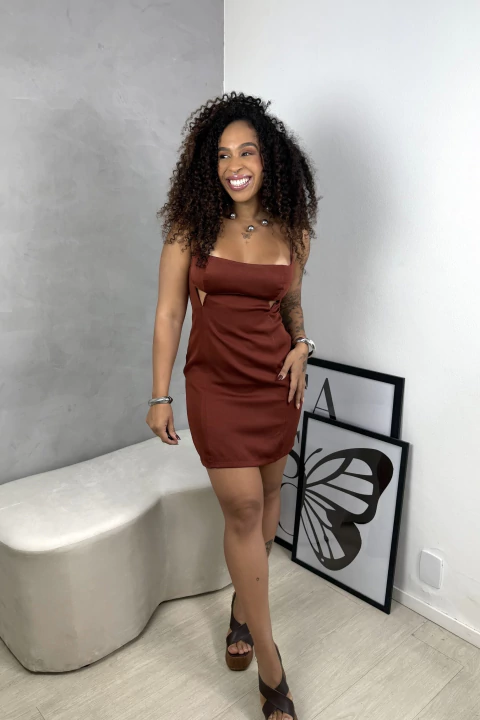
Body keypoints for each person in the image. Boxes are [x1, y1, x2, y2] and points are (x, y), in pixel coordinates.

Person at [146, 91, 318, 720]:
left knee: (269, 497)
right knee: (243, 505)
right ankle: (270, 664)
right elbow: (169, 314)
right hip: (215, 387)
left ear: (269, 158)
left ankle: (242, 609)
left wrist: (303, 344)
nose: (234, 165)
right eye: (222, 155)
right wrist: (160, 394)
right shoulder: (190, 228)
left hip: (275, 385)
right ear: (208, 164)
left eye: (247, 151)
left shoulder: (293, 230)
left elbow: (289, 301)